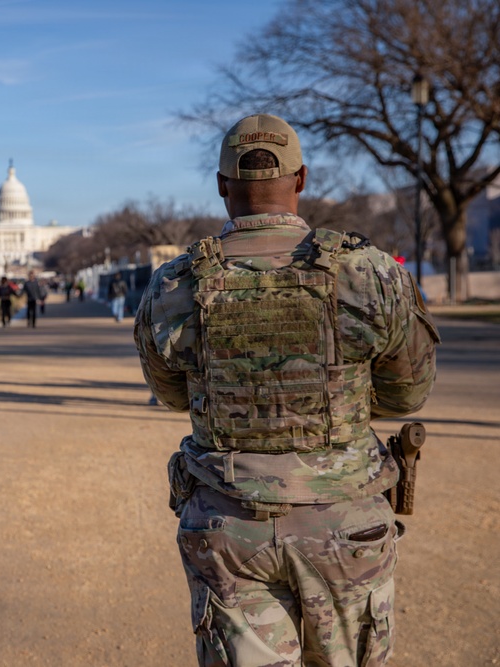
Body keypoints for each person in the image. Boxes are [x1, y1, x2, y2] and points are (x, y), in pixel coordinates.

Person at [133, 114, 439, 666]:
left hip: (229, 526)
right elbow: (407, 395)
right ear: (302, 179)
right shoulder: (369, 274)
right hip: (345, 525)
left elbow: (174, 395)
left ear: (222, 184)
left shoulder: (176, 285)